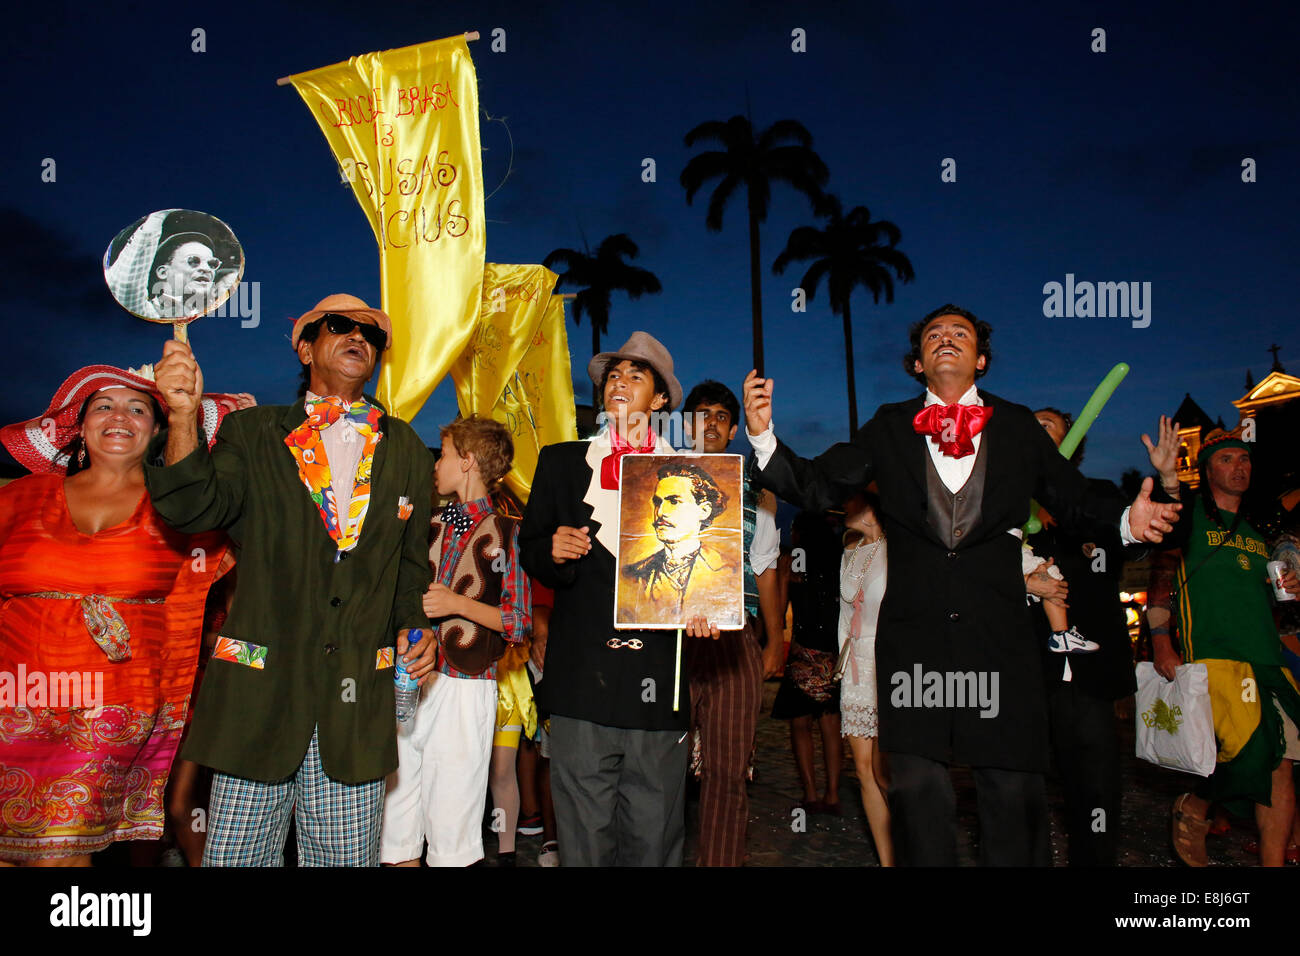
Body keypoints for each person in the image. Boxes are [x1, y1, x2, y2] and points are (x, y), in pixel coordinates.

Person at [743, 303, 1182, 866]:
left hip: (1000, 641)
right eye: (933, 335)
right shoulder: (888, 425)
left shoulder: (1019, 425)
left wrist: (1128, 520)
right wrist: (764, 440)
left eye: (960, 334)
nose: (945, 339)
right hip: (913, 643)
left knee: (1011, 788)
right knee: (918, 792)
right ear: (918, 364)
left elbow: (1072, 498)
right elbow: (820, 484)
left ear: (981, 359)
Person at [144, 293, 436, 867]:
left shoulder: (406, 446)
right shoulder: (251, 432)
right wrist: (181, 417)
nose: (359, 337)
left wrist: (414, 627)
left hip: (356, 700)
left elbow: (408, 564)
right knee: (239, 860)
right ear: (306, 347)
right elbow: (193, 509)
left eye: (371, 334)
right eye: (340, 326)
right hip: (261, 695)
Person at [0, 365, 235, 864]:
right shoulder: (15, 499)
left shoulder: (184, 511)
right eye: (103, 406)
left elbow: (234, 596)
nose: (119, 416)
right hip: (11, 698)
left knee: (62, 847)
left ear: (156, 429)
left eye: (138, 408)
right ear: (79, 429)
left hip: (110, 709)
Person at [519, 331, 714, 866]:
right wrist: (551, 550)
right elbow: (529, 548)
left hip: (659, 683)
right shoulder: (560, 463)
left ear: (660, 400)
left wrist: (707, 612)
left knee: (654, 837)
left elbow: (713, 575)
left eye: (636, 375)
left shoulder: (693, 475)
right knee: (582, 837)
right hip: (581, 680)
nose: (620, 383)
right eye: (612, 375)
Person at [1023, 407, 1171, 866]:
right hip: (1023, 674)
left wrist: (1169, 483)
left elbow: (1139, 528)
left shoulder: (1096, 498)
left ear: (1074, 442)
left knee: (1095, 794)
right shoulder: (999, 504)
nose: (1035, 430)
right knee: (1016, 794)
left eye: (1048, 426)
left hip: (1087, 677)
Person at [380, 415, 530, 867]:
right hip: (409, 680)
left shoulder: (510, 532)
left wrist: (456, 604)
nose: (435, 464)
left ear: (466, 462)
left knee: (452, 834)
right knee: (395, 824)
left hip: (466, 685)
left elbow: (520, 622)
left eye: (443, 454)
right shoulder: (426, 524)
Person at [1149, 426, 1300, 867]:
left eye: (1245, 459)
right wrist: (1161, 643)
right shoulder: (1189, 515)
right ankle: (1199, 801)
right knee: (1253, 753)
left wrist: (1290, 583)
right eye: (1227, 459)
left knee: (1282, 766)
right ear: (1205, 469)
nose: (1240, 466)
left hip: (1268, 657)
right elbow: (1161, 582)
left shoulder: (1258, 529)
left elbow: (1274, 590)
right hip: (1214, 655)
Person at [680, 380, 782, 866]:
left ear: (735, 427)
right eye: (702, 415)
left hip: (735, 635)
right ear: (686, 423)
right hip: (670, 639)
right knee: (660, 767)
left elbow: (765, 567)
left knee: (728, 767)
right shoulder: (654, 478)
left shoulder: (757, 490)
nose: (712, 424)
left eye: (722, 416)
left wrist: (775, 640)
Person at [772, 510, 844, 815]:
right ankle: (832, 794)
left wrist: (785, 579)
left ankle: (811, 793)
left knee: (800, 726)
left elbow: (778, 611)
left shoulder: (792, 562)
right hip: (831, 650)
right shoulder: (839, 559)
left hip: (803, 651)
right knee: (830, 725)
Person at [838, 491, 893, 865]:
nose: (844, 507)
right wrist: (841, 667)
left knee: (885, 771)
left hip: (889, 663)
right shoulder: (850, 552)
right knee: (861, 769)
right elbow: (844, 616)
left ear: (872, 510)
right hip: (855, 665)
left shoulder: (899, 551)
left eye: (852, 502)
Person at [619, 460, 741, 627]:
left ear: (704, 511)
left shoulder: (732, 571)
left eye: (674, 501)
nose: (660, 512)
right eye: (658, 502)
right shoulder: (632, 575)